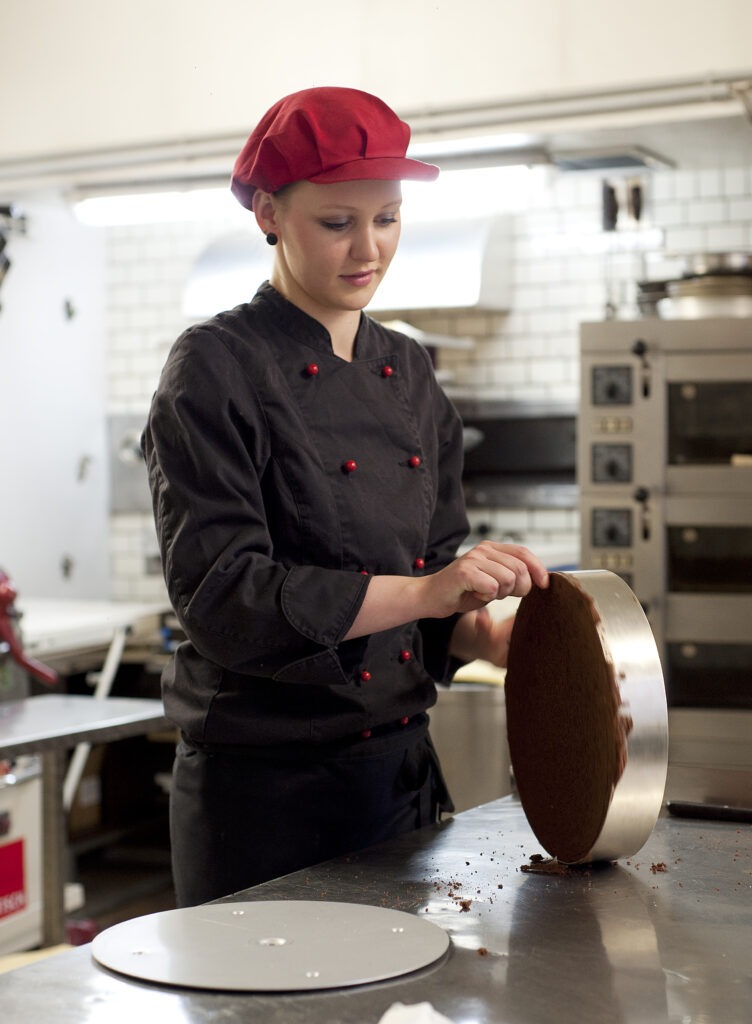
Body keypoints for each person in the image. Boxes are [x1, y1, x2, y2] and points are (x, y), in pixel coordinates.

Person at [142, 86, 549, 908]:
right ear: (269, 212)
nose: (369, 249)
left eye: (388, 218)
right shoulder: (215, 365)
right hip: (264, 799)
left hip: (395, 781)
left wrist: (483, 633)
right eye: (337, 223)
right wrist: (429, 592)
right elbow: (225, 598)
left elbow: (430, 573)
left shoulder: (411, 367)